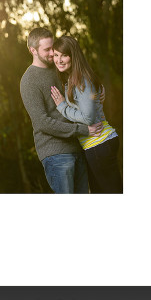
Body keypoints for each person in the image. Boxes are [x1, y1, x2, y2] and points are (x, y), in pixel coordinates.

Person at [20, 27, 101, 194]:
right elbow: (43, 123)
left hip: (78, 148)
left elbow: (79, 90)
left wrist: (97, 91)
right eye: (47, 49)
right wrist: (83, 130)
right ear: (32, 50)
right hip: (56, 155)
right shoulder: (28, 81)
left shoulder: (58, 68)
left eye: (53, 48)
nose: (53, 53)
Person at [49, 35, 122, 194]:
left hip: (99, 143)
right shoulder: (76, 78)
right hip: (98, 145)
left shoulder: (81, 79)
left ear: (73, 56)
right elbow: (91, 101)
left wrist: (62, 106)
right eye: (56, 55)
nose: (59, 60)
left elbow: (88, 118)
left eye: (64, 55)